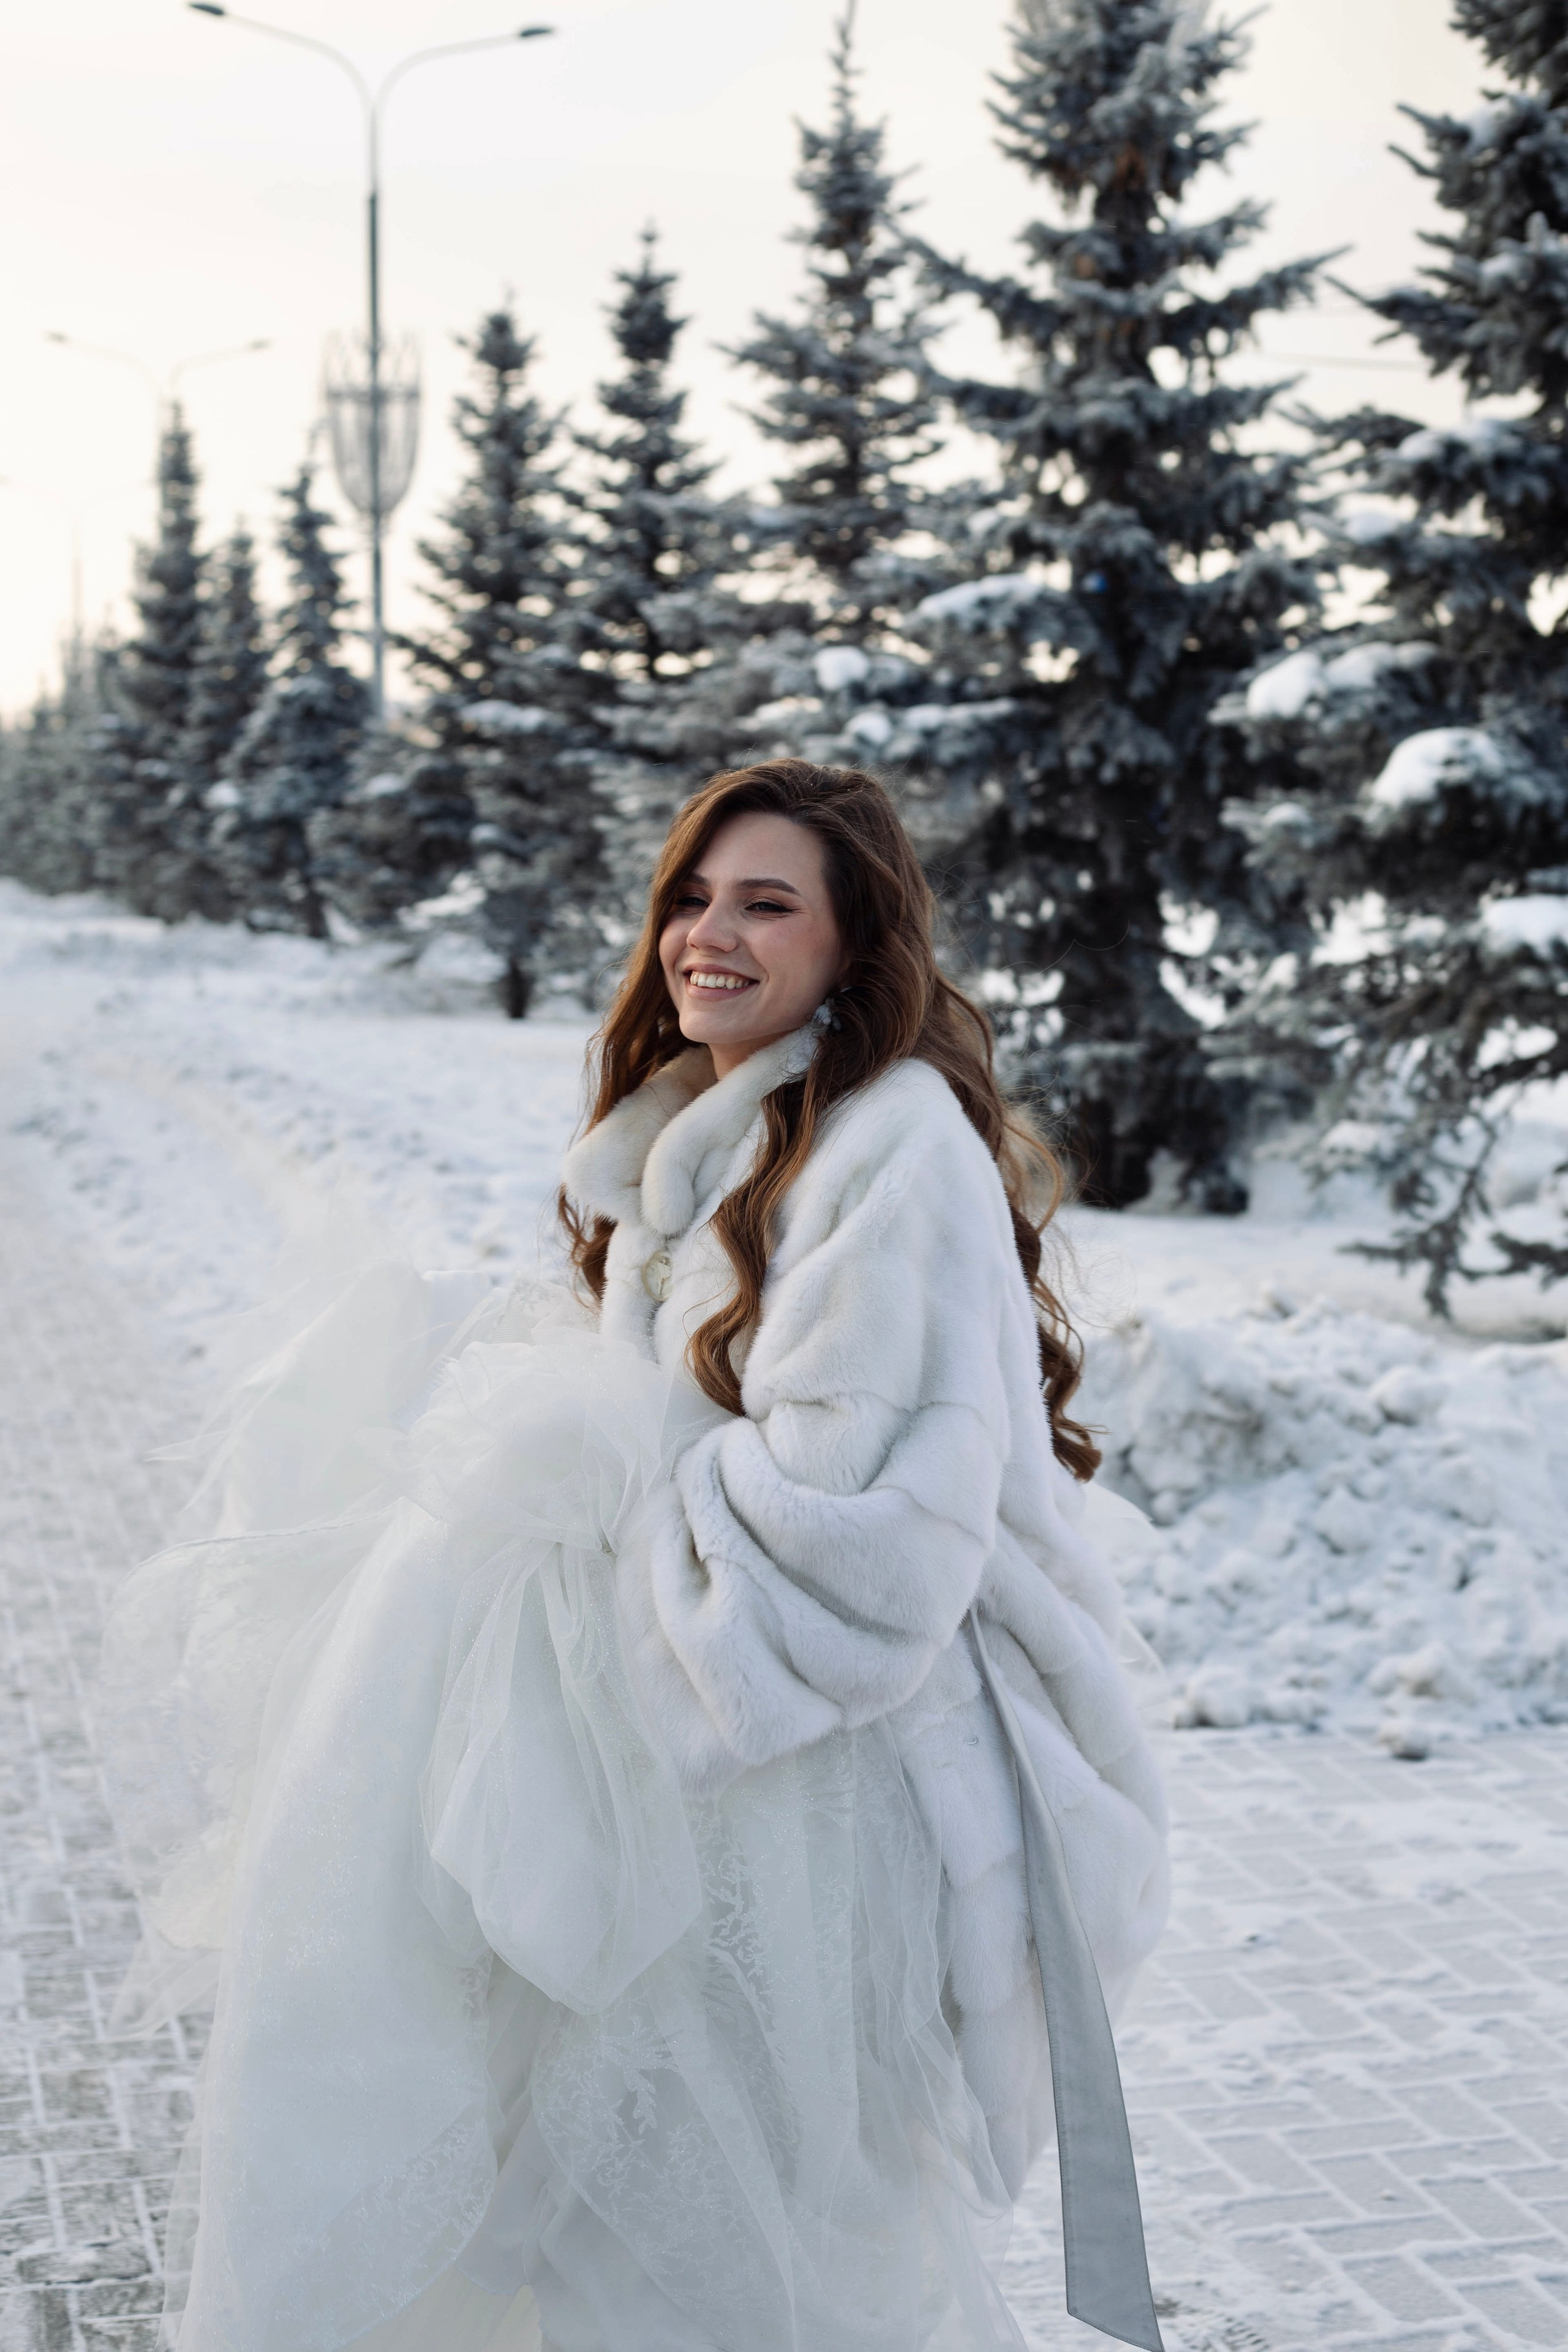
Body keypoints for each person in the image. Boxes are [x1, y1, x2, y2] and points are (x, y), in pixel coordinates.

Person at [100, 760, 1169, 2352]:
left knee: (749, 2246)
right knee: (614, 2231)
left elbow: (864, 1553)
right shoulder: (711, 1139)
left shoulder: (897, 1150)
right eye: (690, 897)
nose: (707, 936)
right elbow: (689, 1424)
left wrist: (569, 1499)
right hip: (701, 1750)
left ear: (854, 942)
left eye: (765, 904)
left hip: (812, 1782)